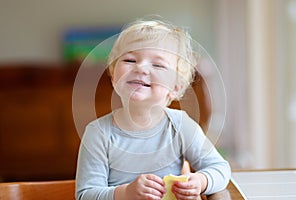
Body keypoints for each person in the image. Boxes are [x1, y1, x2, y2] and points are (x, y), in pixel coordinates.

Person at [75, 18, 231, 200]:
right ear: (113, 76)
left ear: (175, 87)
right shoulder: (98, 133)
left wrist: (201, 181)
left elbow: (221, 169)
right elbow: (85, 195)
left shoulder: (181, 125)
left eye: (157, 64)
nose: (140, 67)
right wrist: (125, 193)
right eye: (130, 59)